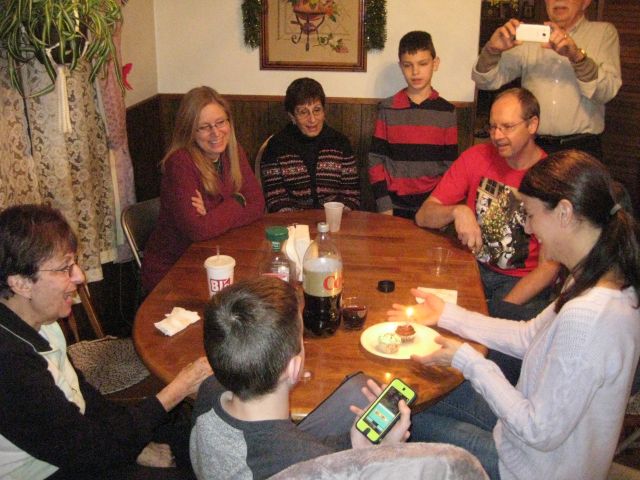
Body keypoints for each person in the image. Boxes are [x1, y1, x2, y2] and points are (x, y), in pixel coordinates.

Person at [390, 150, 640, 479]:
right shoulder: (598, 279)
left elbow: (538, 430)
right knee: (411, 391)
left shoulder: (589, 316)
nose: (527, 226)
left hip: (529, 470)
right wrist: (446, 314)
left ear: (564, 213)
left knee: (400, 420)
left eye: (531, 214)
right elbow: (527, 336)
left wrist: (467, 359)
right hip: (522, 442)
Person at [0, 204, 212, 479]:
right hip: (49, 470)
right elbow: (85, 450)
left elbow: (85, 397)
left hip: (80, 442)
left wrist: (132, 445)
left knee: (199, 441)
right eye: (65, 268)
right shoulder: (10, 362)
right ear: (21, 284)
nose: (80, 276)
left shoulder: (42, 322)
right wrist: (177, 390)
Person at [190, 277, 411, 479]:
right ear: (294, 367)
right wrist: (385, 455)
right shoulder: (310, 466)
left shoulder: (209, 390)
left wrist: (352, 445)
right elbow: (300, 456)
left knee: (356, 389)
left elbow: (281, 448)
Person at [415, 88, 559, 322]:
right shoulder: (476, 156)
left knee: (492, 335)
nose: (497, 135)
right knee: (427, 312)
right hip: (471, 267)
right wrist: (457, 210)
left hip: (522, 280)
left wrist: (496, 312)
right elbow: (423, 216)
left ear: (532, 125)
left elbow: (549, 267)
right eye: (492, 127)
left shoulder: (552, 176)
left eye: (507, 127)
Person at [142, 86, 264, 292]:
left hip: (214, 257)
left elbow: (258, 204)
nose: (216, 133)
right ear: (190, 131)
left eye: (220, 122)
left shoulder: (233, 151)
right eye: (204, 127)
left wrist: (212, 212)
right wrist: (237, 200)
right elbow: (197, 230)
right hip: (173, 270)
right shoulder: (180, 163)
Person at [472, 0, 621, 159]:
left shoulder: (602, 33)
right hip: (534, 146)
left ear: (585, 2)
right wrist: (492, 49)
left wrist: (577, 56)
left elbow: (606, 92)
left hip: (581, 147)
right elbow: (486, 81)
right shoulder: (529, 37)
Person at [368, 30, 458, 219]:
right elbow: (375, 160)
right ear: (400, 66)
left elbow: (450, 166)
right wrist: (384, 204)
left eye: (422, 64)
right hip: (393, 207)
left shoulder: (447, 112)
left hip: (432, 207)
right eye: (408, 65)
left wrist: (441, 205)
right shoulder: (388, 109)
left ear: (435, 63)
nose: (415, 72)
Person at [260, 77, 360, 213]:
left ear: (324, 112)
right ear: (292, 116)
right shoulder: (276, 146)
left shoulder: (340, 143)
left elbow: (351, 195)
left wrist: (335, 216)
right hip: (292, 222)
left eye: (317, 110)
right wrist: (300, 222)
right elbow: (275, 198)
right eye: (303, 112)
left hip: (335, 219)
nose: (312, 119)